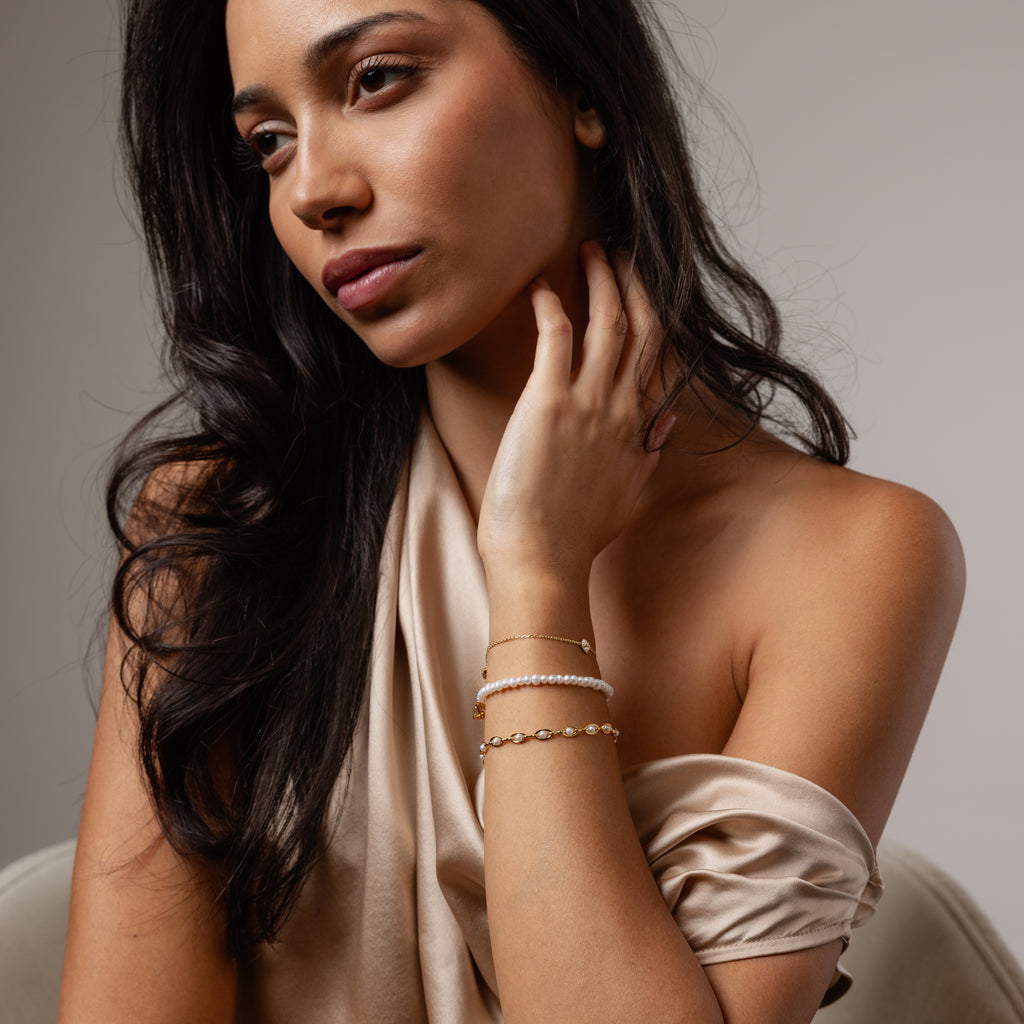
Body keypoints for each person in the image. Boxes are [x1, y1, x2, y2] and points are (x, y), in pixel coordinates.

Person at [57, 0, 965, 1020]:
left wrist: (536, 584)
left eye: (375, 79)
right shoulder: (224, 531)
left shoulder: (851, 556)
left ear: (579, 84)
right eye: (268, 142)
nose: (313, 190)